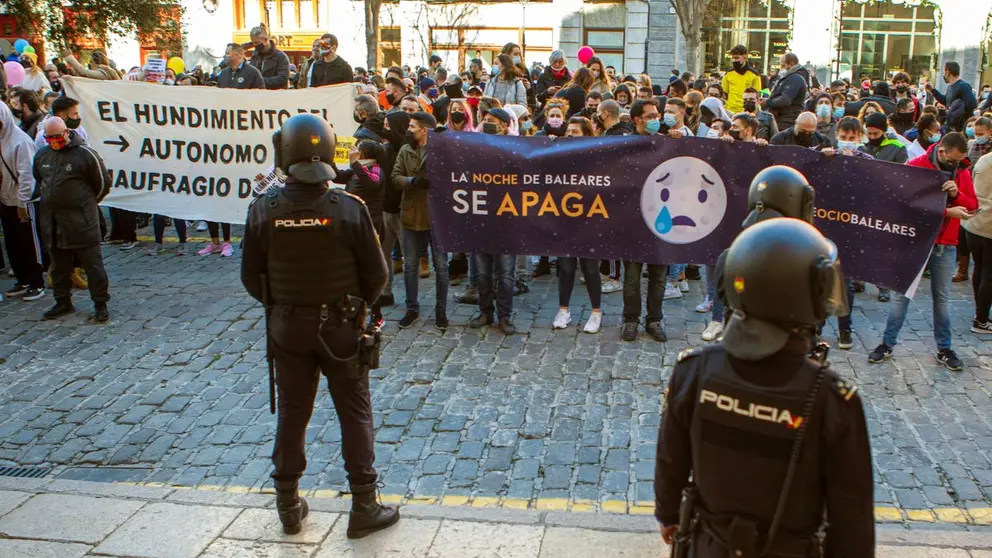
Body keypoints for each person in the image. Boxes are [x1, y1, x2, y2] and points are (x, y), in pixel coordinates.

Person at [656, 218, 873, 557]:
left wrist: (668, 514)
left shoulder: (693, 371)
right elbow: (852, 516)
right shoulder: (831, 399)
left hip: (707, 547)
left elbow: (671, 457)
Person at [240, 113, 397, 539]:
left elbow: (251, 276)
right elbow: (377, 274)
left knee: (293, 412)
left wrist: (286, 306)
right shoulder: (348, 208)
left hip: (288, 327)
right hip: (343, 327)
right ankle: (364, 504)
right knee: (354, 412)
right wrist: (355, 306)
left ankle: (288, 504)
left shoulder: (263, 209)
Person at [869, 133, 978, 371]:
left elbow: (971, 206)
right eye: (954, 158)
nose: (957, 163)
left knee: (942, 300)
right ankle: (887, 343)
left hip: (945, 243)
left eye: (961, 159)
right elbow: (905, 203)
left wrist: (955, 194)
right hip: (916, 241)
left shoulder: (962, 171)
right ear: (942, 152)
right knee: (901, 295)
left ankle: (944, 348)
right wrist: (947, 211)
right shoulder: (917, 166)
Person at [32, 117, 111, 322]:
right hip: (53, 221)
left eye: (57, 137)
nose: (54, 141)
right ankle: (62, 301)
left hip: (81, 221)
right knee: (58, 265)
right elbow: (40, 181)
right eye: (49, 138)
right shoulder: (43, 155)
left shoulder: (85, 154)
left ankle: (100, 303)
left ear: (67, 132)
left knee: (92, 265)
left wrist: (85, 205)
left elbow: (102, 184)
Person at [392, 111, 449, 330]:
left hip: (437, 217)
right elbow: (395, 177)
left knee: (441, 267)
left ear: (424, 130)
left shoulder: (441, 150)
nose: (409, 130)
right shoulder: (406, 150)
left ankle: (441, 310)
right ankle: (412, 308)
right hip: (411, 215)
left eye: (413, 127)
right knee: (410, 266)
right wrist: (412, 181)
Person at [552, 116, 604, 334]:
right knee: (565, 267)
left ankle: (596, 312)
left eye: (576, 132)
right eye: (569, 131)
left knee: (590, 268)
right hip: (565, 218)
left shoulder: (597, 157)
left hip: (590, 219)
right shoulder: (559, 154)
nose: (570, 135)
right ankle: (563, 309)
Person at [468, 107, 517, 335]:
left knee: (506, 275)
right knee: (482, 273)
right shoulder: (475, 147)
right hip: (480, 218)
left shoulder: (518, 148)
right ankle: (485, 311)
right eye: (485, 120)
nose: (489, 124)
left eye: (494, 121)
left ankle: (504, 315)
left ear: (506, 125)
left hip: (507, 221)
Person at [622, 99, 667, 343]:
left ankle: (654, 320)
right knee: (632, 276)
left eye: (656, 114)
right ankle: (630, 320)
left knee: (659, 275)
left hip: (662, 219)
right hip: (632, 220)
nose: (656, 119)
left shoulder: (667, 143)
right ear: (637, 119)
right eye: (650, 116)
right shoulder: (625, 145)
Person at [0, 102, 45, 301]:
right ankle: (22, 279)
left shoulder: (20, 141)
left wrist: (22, 202)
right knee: (13, 243)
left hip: (23, 201)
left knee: (29, 243)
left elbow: (27, 175)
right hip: (5, 198)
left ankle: (36, 282)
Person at [963, 150, 992, 333]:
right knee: (988, 275)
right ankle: (981, 320)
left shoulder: (984, 159)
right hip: (989, 226)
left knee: (979, 269)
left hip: (973, 222)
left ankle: (979, 312)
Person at [928, 61, 977, 132]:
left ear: (947, 72)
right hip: (951, 125)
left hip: (960, 127)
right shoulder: (950, 87)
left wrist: (957, 110)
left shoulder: (963, 86)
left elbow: (972, 104)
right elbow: (946, 101)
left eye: (944, 72)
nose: (944, 75)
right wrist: (932, 90)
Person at [765, 53, 809, 131]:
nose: (780, 69)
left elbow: (785, 100)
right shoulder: (788, 78)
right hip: (782, 119)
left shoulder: (795, 79)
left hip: (787, 121)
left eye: (782, 66)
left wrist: (768, 102)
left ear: (791, 64)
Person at [720, 45, 761, 114]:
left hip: (747, 111)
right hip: (730, 111)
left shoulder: (754, 75)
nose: (734, 61)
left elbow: (757, 96)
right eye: (733, 58)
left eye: (737, 58)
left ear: (745, 57)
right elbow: (724, 95)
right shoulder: (728, 74)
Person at [250, 25, 290, 90]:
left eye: (257, 42)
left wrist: (259, 81)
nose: (254, 45)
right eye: (253, 43)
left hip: (275, 96)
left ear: (266, 40)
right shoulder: (255, 55)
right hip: (257, 95)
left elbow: (282, 79)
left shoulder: (281, 57)